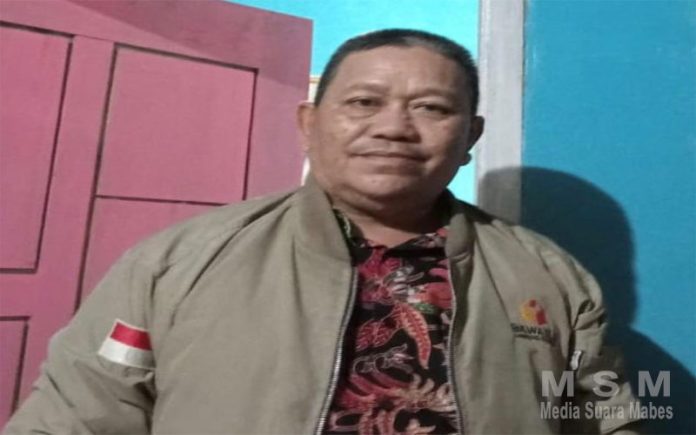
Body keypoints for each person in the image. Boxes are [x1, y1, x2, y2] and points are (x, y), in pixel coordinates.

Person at [5, 29, 641, 434]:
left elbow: (607, 418)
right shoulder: (177, 263)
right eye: (364, 103)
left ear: (470, 136)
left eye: (431, 108)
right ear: (309, 124)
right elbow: (75, 417)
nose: (393, 128)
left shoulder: (551, 278)